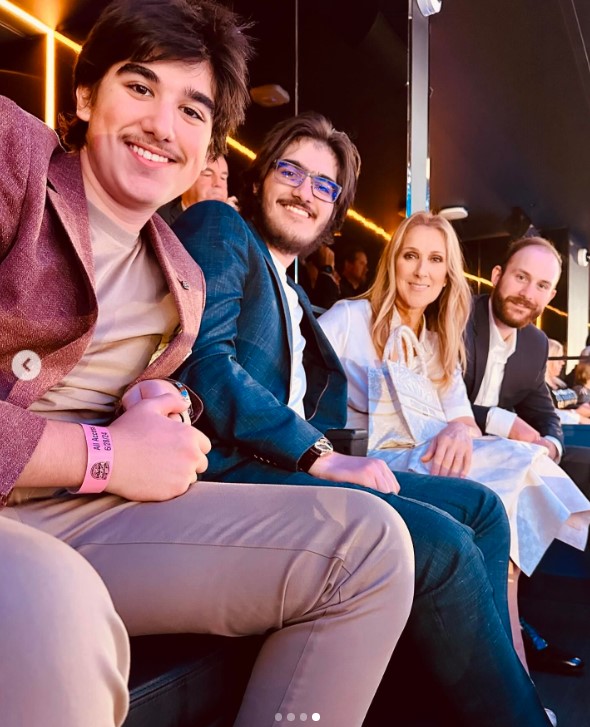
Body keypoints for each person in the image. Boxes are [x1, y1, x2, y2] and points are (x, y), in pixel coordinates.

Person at [0, 3, 418, 726]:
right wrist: (104, 451)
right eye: (139, 87)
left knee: (374, 544)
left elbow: (195, 381)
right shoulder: (15, 158)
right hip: (30, 512)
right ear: (84, 96)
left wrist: (157, 407)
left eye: (192, 110)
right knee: (56, 608)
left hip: (95, 517)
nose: (164, 125)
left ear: (209, 146)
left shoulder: (181, 275)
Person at [174, 112, 554, 726]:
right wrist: (323, 455)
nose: (305, 191)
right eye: (290, 170)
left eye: (324, 186)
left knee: (481, 508)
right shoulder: (221, 226)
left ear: (334, 212)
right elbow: (207, 365)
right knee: (446, 542)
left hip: (294, 464)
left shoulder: (294, 294)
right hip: (239, 469)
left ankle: (467, 689)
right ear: (258, 176)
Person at [318, 211, 590, 673]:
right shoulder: (349, 318)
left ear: (448, 275)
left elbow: (463, 419)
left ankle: (508, 658)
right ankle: (512, 667)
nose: (422, 270)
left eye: (435, 260)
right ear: (393, 262)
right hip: (364, 464)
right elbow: (299, 398)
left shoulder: (437, 340)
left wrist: (455, 430)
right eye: (411, 256)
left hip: (429, 460)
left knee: (522, 465)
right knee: (509, 476)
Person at [463, 236, 589, 676]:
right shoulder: (456, 317)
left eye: (540, 285)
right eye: (520, 277)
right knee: (516, 478)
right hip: (453, 448)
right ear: (497, 276)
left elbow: (541, 408)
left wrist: (551, 444)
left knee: (583, 466)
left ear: (551, 295)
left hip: (507, 451)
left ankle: (542, 612)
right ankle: (514, 627)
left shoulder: (534, 344)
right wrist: (504, 422)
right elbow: (436, 400)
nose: (527, 293)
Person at [158, 153, 238, 226]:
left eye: (223, 178)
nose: (218, 184)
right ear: (186, 180)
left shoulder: (231, 225)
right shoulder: (160, 220)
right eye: (208, 175)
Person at [545, 339, 590, 424]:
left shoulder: (561, 384)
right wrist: (577, 414)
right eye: (560, 358)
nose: (563, 363)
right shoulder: (542, 387)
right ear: (548, 360)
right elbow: (546, 413)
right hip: (568, 429)